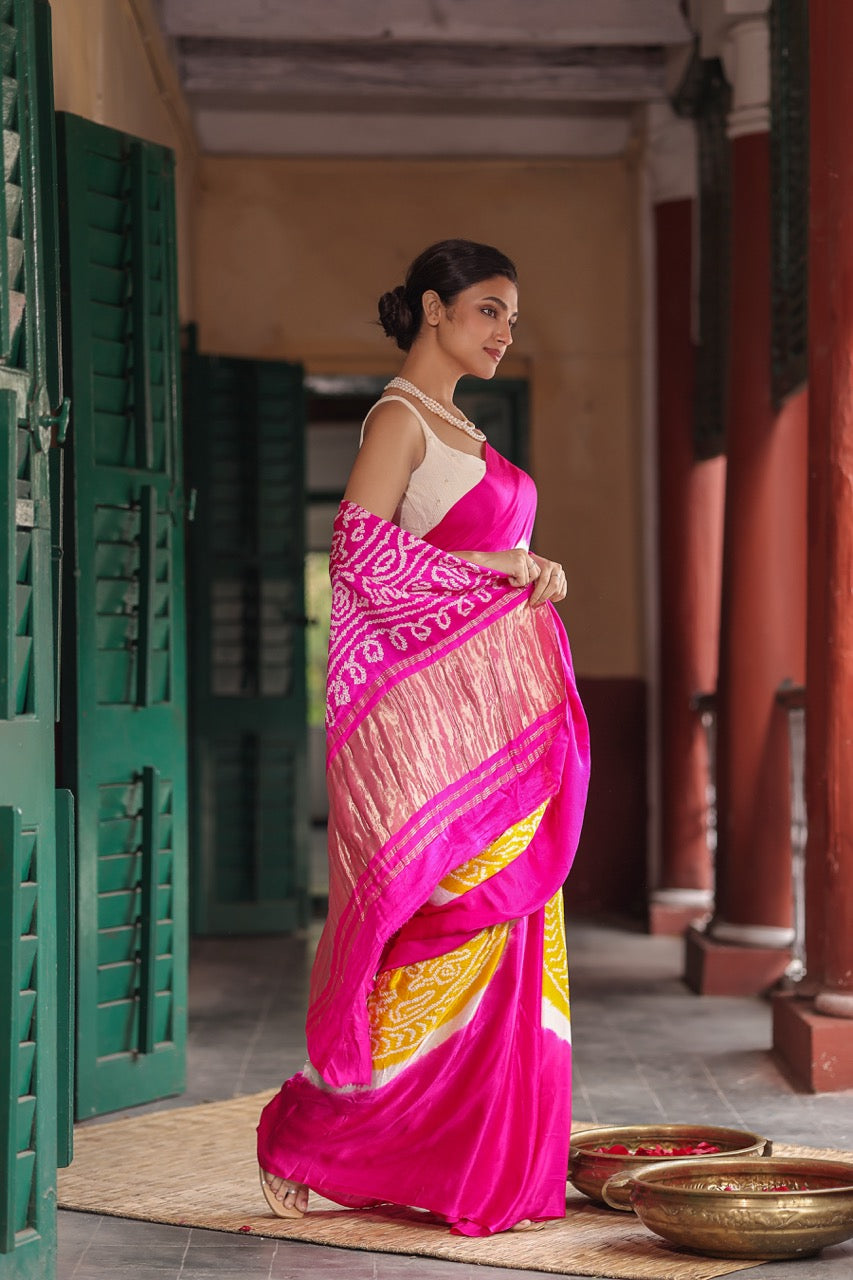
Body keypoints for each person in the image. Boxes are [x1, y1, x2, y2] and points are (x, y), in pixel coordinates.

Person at [257, 239, 590, 1236]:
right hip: (443, 748)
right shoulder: (399, 419)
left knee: (518, 945)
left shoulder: (461, 427)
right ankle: (309, 1133)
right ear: (433, 307)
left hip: (503, 728)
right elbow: (357, 554)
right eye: (488, 309)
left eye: (512, 318)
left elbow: (495, 558)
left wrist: (535, 571)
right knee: (446, 936)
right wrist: (497, 567)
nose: (501, 331)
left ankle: (484, 1167)